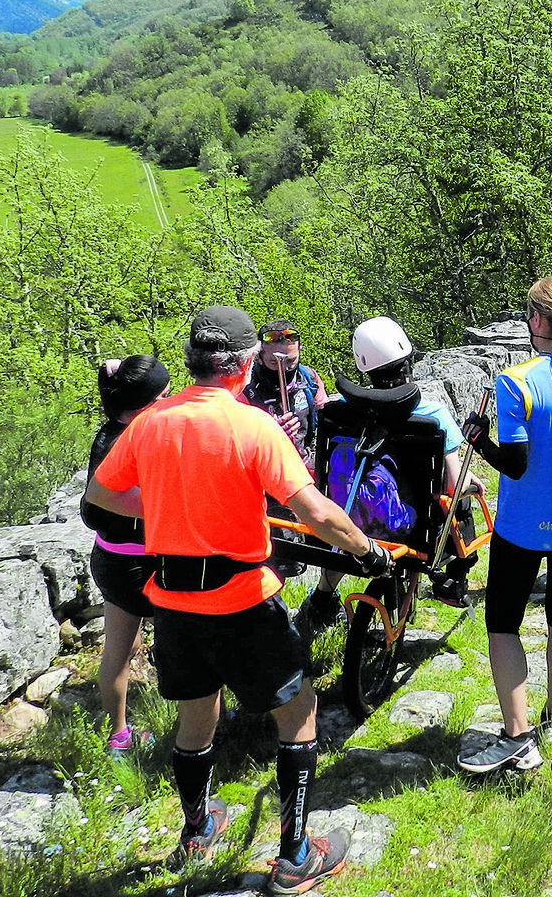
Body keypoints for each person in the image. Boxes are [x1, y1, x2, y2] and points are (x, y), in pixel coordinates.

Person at [86, 306, 392, 892]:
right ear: (245, 363)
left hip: (172, 598)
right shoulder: (253, 426)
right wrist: (367, 552)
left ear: (192, 362)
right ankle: (296, 855)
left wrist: (163, 512)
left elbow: (103, 493)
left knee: (196, 713)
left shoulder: (149, 422)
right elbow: (314, 511)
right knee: (298, 711)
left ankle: (197, 832)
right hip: (243, 597)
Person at [457, 277, 552, 774]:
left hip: (525, 526)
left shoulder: (515, 381)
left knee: (503, 623)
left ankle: (516, 735)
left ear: (538, 321)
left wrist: (477, 441)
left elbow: (518, 464)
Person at [299, 315, 481, 625]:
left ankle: (322, 596)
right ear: (407, 358)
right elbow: (453, 485)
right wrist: (471, 485)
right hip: (411, 528)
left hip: (346, 517)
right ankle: (451, 579)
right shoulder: (432, 415)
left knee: (352, 507)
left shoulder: (337, 410)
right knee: (459, 502)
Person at [82, 355, 169, 757]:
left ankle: (118, 736)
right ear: (147, 405)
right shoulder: (141, 442)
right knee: (183, 643)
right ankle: (194, 725)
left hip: (109, 558)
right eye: (165, 397)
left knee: (118, 652)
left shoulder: (106, 435)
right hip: (149, 563)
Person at [243, 318, 330, 581]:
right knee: (278, 558)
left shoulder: (309, 378)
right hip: (264, 484)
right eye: (274, 362)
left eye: (290, 362)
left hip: (305, 473)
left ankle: (320, 600)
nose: (284, 367)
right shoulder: (245, 389)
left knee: (321, 545)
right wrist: (268, 429)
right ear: (259, 357)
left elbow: (324, 416)